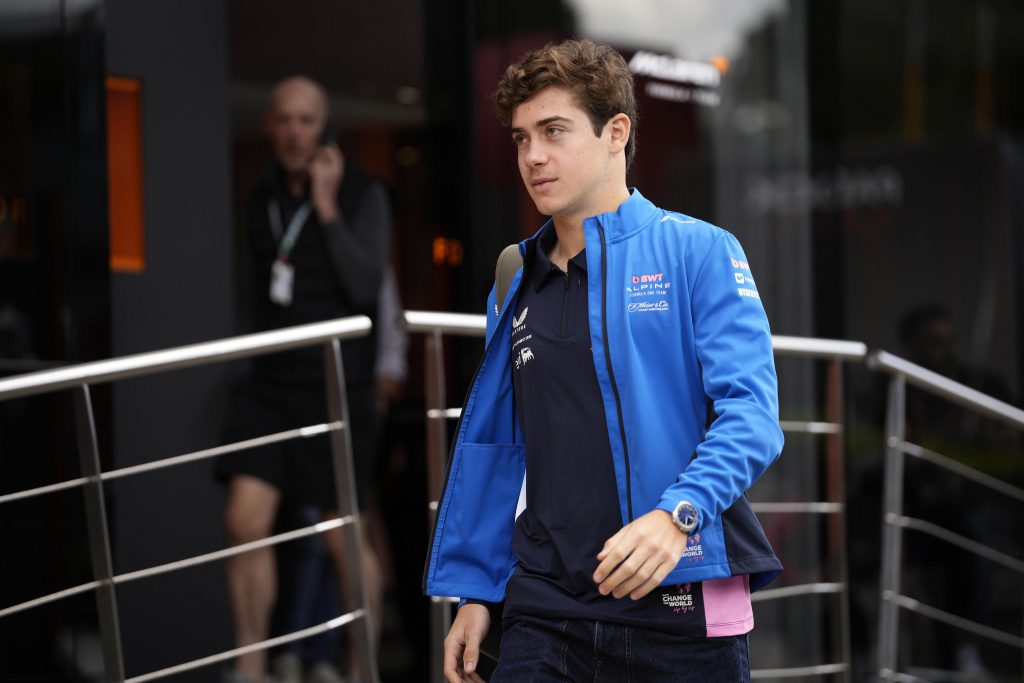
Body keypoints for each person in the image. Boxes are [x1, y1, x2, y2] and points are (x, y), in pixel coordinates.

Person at [424, 39, 784, 682]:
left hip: (680, 610)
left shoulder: (699, 250)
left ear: (615, 132)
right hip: (545, 608)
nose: (533, 156)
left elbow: (752, 416)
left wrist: (678, 516)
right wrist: (478, 592)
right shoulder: (514, 279)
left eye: (553, 131)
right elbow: (505, 446)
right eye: (521, 138)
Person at [217, 75, 389, 683]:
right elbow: (253, 292)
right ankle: (250, 669)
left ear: (325, 128)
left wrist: (326, 204)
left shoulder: (364, 192)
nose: (294, 132)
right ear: (269, 127)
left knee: (342, 536)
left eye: (306, 121)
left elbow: (366, 285)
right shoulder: (260, 195)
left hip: (337, 387)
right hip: (270, 385)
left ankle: (361, 668)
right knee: (243, 521)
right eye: (284, 120)